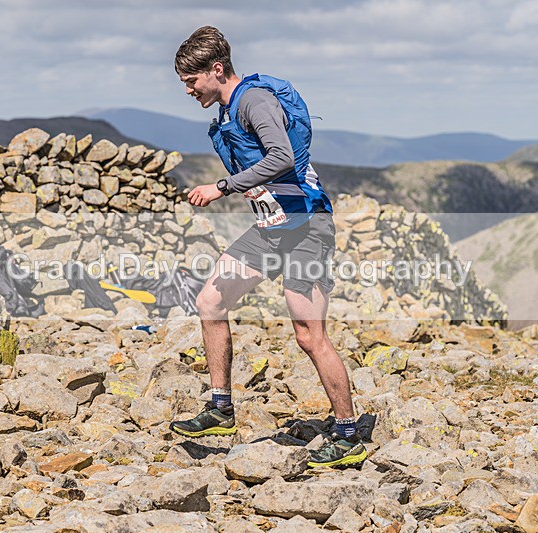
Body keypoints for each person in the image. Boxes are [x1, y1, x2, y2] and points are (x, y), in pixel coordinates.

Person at [169, 26, 366, 468]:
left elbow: (281, 158)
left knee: (309, 336)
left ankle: (349, 434)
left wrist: (222, 187)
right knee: (210, 301)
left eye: (191, 80)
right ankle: (220, 408)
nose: (187, 90)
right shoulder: (224, 111)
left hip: (309, 226)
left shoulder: (254, 101)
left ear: (216, 69)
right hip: (272, 227)